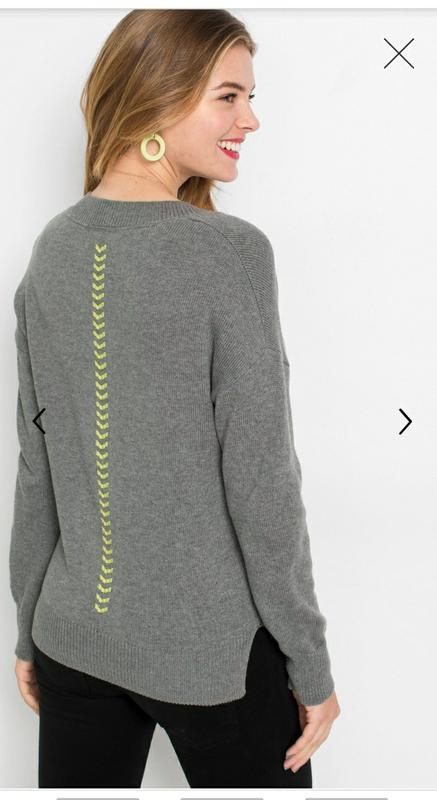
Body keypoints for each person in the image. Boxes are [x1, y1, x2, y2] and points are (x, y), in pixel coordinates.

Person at [9, 9, 340, 789]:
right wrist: (310, 663)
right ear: (157, 98)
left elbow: (37, 467)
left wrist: (28, 629)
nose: (249, 120)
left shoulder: (52, 250)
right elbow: (261, 482)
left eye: (248, 98)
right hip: (210, 655)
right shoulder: (228, 254)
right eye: (228, 97)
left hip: (72, 643)